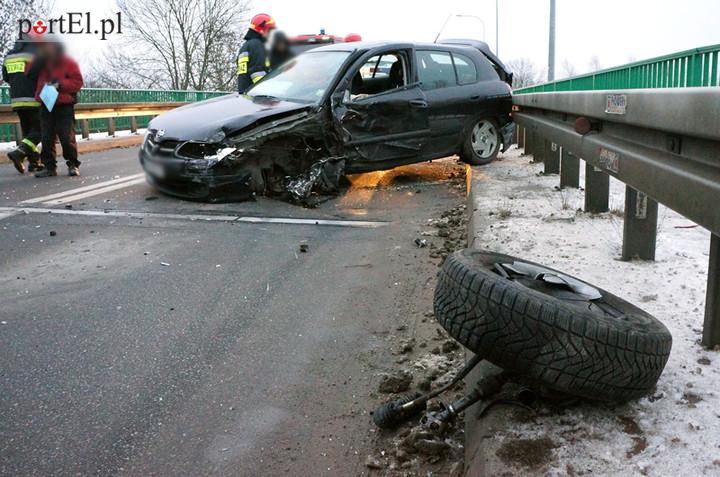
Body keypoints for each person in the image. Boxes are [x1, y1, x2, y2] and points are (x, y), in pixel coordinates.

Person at [29, 38, 83, 178]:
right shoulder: (40, 63)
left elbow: (77, 82)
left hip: (63, 104)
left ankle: (73, 164)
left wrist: (60, 84)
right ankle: (49, 167)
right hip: (46, 103)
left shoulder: (68, 62)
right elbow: (28, 74)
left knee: (66, 137)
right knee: (46, 137)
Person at [2, 32, 43, 174]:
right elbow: (41, 75)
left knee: (28, 133)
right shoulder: (34, 54)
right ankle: (20, 152)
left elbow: (6, 77)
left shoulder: (9, 56)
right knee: (41, 131)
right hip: (33, 98)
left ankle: (34, 163)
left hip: (16, 100)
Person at [237, 13, 276, 93]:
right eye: (270, 30)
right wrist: (267, 91)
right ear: (262, 29)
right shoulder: (257, 45)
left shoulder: (245, 46)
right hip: (256, 96)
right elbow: (257, 72)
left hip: (245, 93)